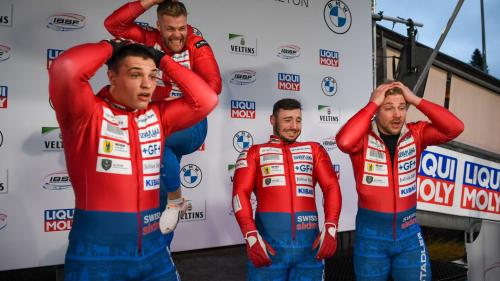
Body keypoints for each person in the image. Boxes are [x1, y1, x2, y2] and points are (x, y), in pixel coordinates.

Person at [48, 40, 217, 280]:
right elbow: (66, 68)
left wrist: (162, 59)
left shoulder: (157, 115)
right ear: (112, 77)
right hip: (97, 259)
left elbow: (206, 99)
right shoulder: (86, 113)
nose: (148, 84)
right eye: (136, 74)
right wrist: (110, 47)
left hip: (155, 252)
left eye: (153, 76)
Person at [105, 0, 222, 244]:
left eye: (182, 28)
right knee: (155, 191)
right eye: (170, 29)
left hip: (190, 123)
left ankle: (176, 200)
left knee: (154, 142)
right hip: (156, 120)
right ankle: (161, 251)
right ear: (159, 25)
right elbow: (113, 24)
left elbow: (213, 89)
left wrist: (171, 83)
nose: (177, 35)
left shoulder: (196, 45)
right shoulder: (149, 38)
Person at [335, 81, 464, 281]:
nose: (397, 114)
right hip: (371, 239)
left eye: (402, 107)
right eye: (388, 108)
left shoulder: (417, 134)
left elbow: (455, 127)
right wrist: (371, 105)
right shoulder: (363, 139)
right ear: (376, 111)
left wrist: (415, 99)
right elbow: (344, 141)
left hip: (409, 235)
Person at [232, 98, 342, 280]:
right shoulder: (253, 153)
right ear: (272, 120)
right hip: (269, 249)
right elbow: (239, 194)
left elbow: (331, 187)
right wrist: (250, 235)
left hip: (310, 249)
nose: (294, 126)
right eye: (287, 120)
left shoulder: (314, 150)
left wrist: (331, 227)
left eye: (298, 120)